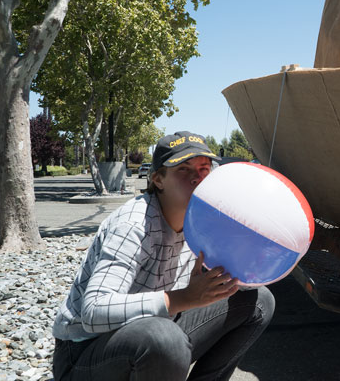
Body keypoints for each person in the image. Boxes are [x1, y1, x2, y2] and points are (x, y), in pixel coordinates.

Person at [52, 131, 275, 380]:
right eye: (184, 170)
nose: (197, 178)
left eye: (204, 169)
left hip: (154, 332)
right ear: (158, 180)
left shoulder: (206, 221)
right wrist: (185, 298)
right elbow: (93, 312)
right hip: (85, 354)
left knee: (258, 301)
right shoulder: (135, 224)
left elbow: (236, 278)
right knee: (164, 338)